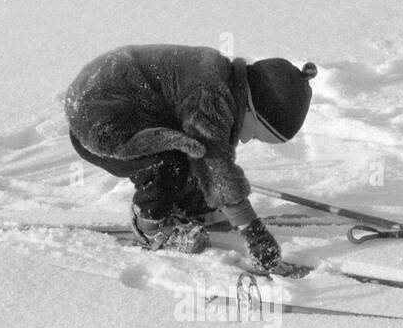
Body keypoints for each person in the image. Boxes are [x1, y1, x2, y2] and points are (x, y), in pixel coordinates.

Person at [64, 45, 316, 270]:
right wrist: (255, 234)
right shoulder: (212, 96)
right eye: (258, 134)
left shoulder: (223, 81)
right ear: (252, 108)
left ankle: (190, 206)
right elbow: (214, 165)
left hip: (114, 105)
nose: (249, 140)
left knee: (190, 147)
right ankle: (151, 225)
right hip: (100, 124)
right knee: (169, 160)